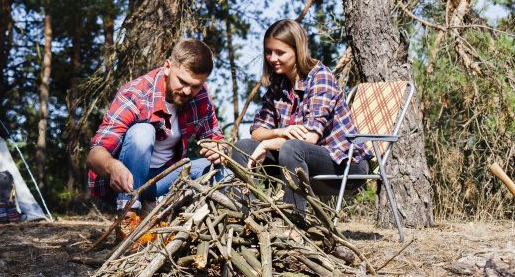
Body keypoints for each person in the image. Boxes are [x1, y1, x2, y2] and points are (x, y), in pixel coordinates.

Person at [232, 19, 371, 211]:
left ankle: (295, 223)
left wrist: (267, 143)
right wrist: (281, 131)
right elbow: (257, 130)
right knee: (243, 147)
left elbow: (309, 138)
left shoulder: (320, 77)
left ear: (298, 50)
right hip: (299, 162)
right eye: (268, 51)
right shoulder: (278, 84)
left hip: (345, 165)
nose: (272, 58)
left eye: (280, 52)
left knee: (291, 148)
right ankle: (242, 216)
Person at [87, 39, 227, 212]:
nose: (187, 91)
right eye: (182, 82)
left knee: (224, 173)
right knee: (143, 132)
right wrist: (113, 167)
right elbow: (95, 154)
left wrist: (218, 150)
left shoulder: (200, 96)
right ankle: (129, 213)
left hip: (163, 178)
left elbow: (216, 138)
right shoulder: (136, 94)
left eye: (196, 86)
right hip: (122, 184)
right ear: (168, 66)